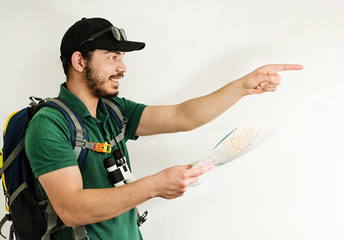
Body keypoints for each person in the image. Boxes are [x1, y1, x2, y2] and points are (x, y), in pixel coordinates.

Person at [25, 17, 303, 240]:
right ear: (79, 61)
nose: (122, 67)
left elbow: (182, 116)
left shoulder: (115, 111)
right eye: (112, 57)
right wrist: (155, 185)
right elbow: (72, 209)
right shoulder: (49, 124)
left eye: (122, 57)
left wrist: (243, 86)